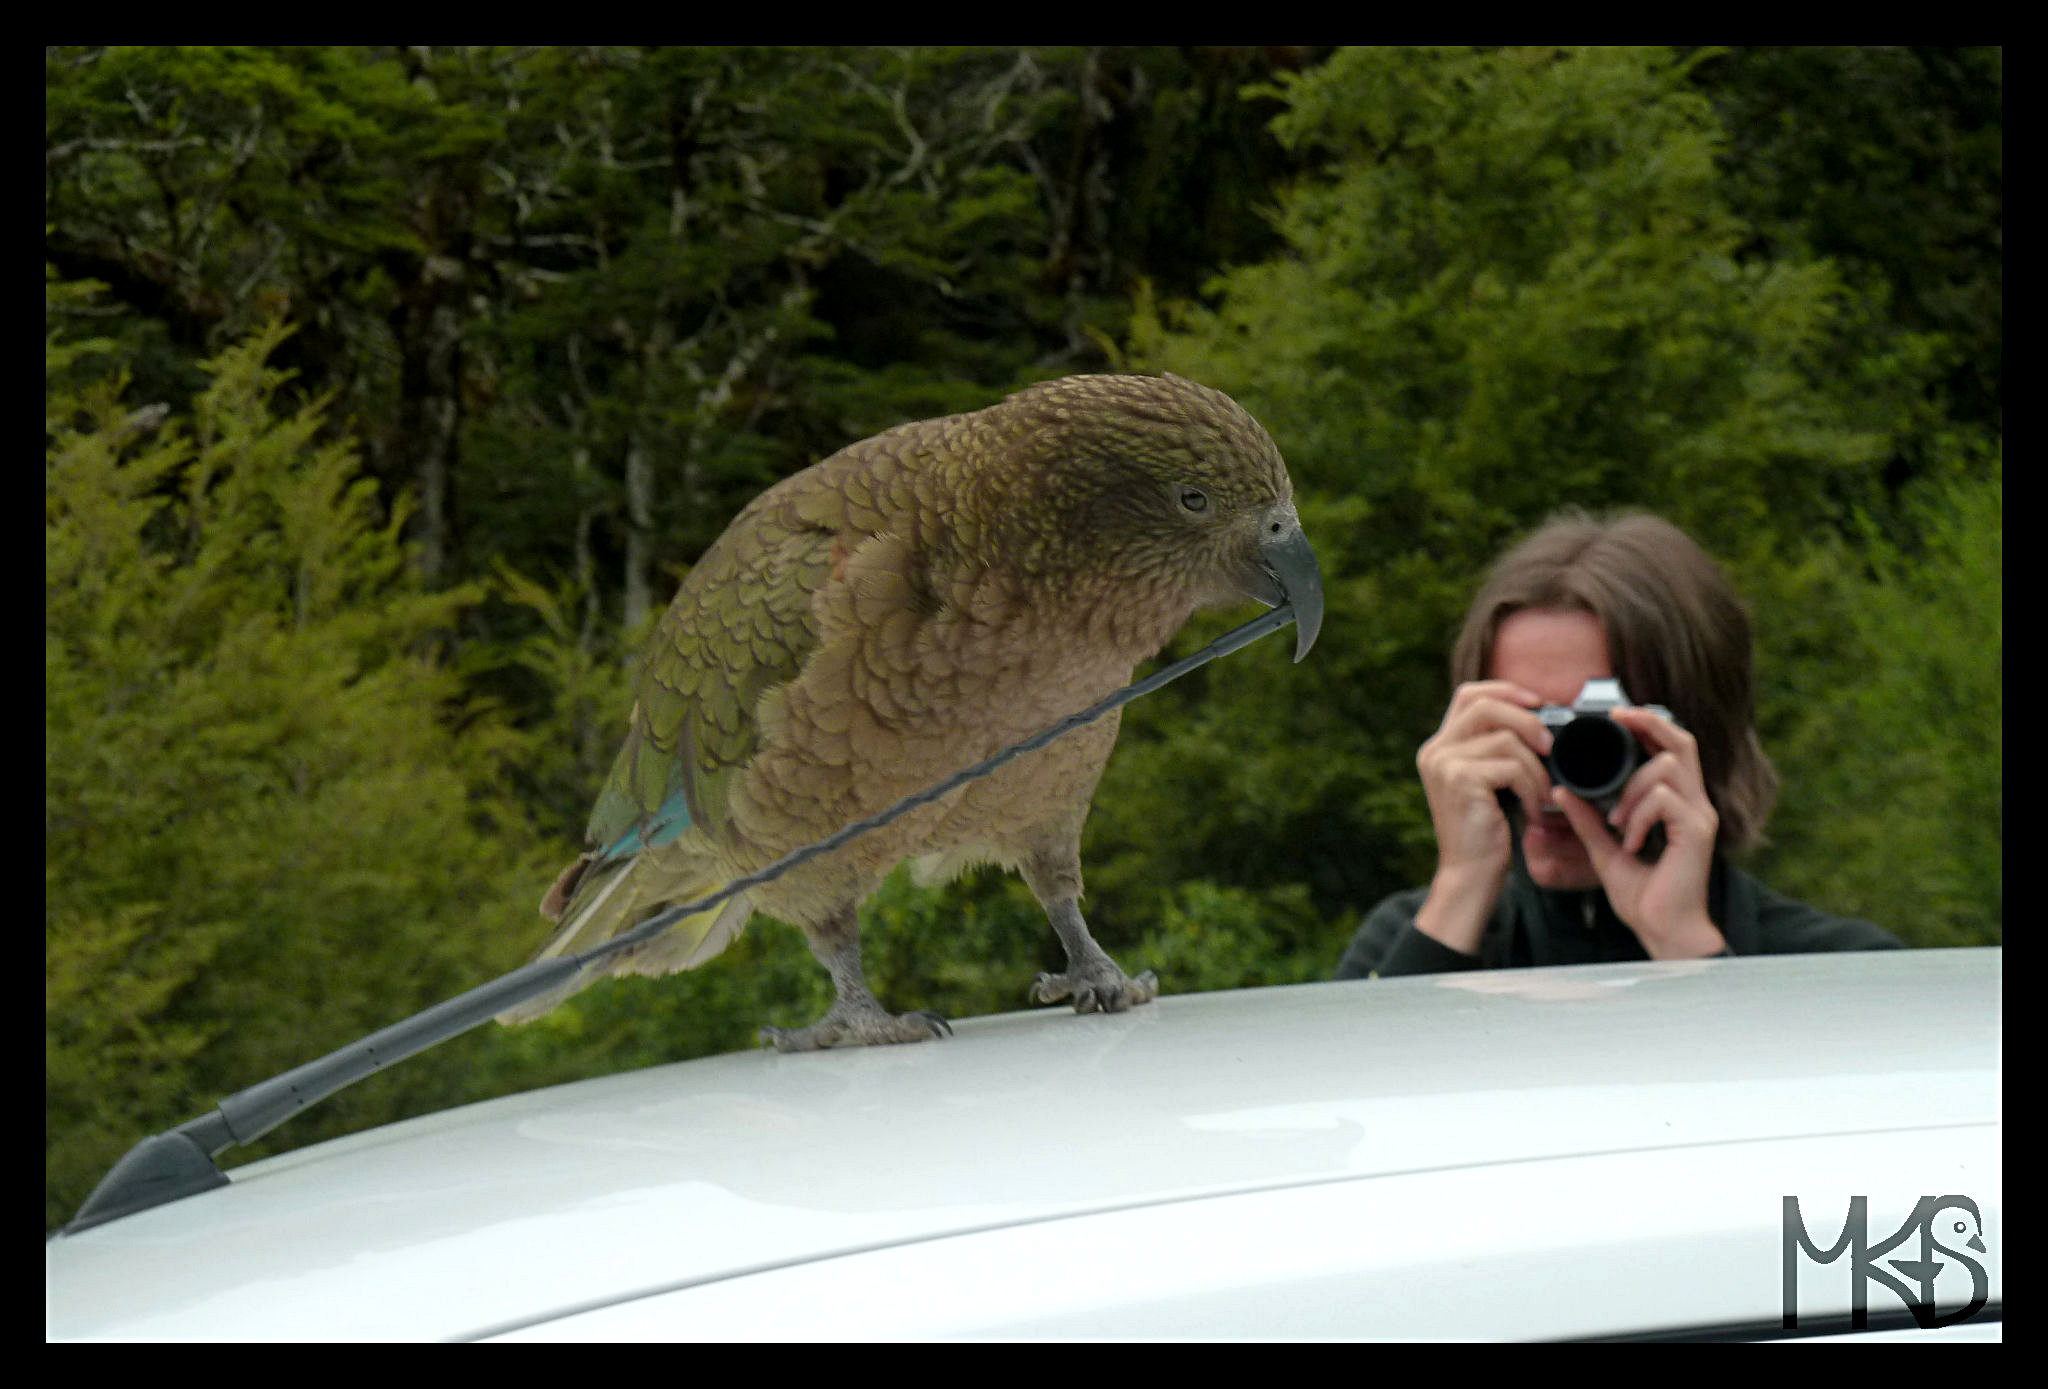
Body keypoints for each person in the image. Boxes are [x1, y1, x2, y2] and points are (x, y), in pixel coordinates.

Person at [1335, 510, 1900, 978]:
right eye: (1528, 726)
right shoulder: (1408, 943)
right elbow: (1354, 1102)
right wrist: (1458, 894)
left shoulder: (1841, 974)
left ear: (1701, 730)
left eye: (1593, 735)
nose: (1557, 778)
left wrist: (1687, 949)